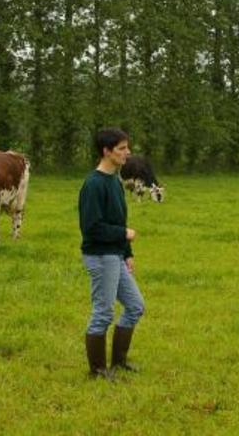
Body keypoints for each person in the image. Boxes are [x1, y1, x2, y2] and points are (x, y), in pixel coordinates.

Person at [79, 128, 145, 380]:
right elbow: (92, 228)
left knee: (135, 306)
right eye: (121, 148)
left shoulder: (115, 181)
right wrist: (123, 234)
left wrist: (127, 252)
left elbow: (119, 219)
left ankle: (118, 362)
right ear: (106, 151)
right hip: (100, 256)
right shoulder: (94, 184)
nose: (127, 153)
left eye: (127, 147)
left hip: (115, 255)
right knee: (103, 312)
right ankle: (97, 371)